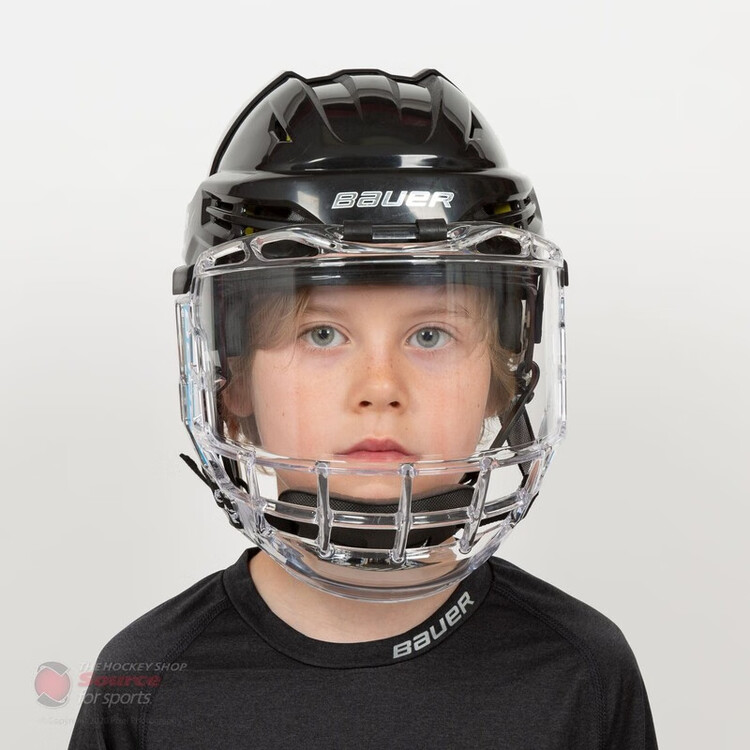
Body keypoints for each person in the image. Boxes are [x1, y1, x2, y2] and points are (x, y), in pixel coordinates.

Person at [69, 69, 658, 749]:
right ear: (231, 378)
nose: (380, 387)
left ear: (504, 378)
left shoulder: (579, 673)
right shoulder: (150, 685)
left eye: (430, 335)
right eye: (321, 334)